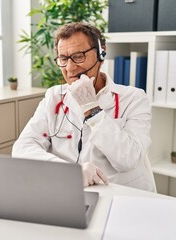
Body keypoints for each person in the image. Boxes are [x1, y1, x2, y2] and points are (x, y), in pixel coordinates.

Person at [12, 22, 155, 192]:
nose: (70, 68)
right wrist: (70, 172)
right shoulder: (54, 97)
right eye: (63, 59)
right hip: (72, 193)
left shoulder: (134, 98)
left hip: (121, 195)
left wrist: (92, 109)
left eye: (78, 56)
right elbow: (23, 147)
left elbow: (128, 159)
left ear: (101, 54)